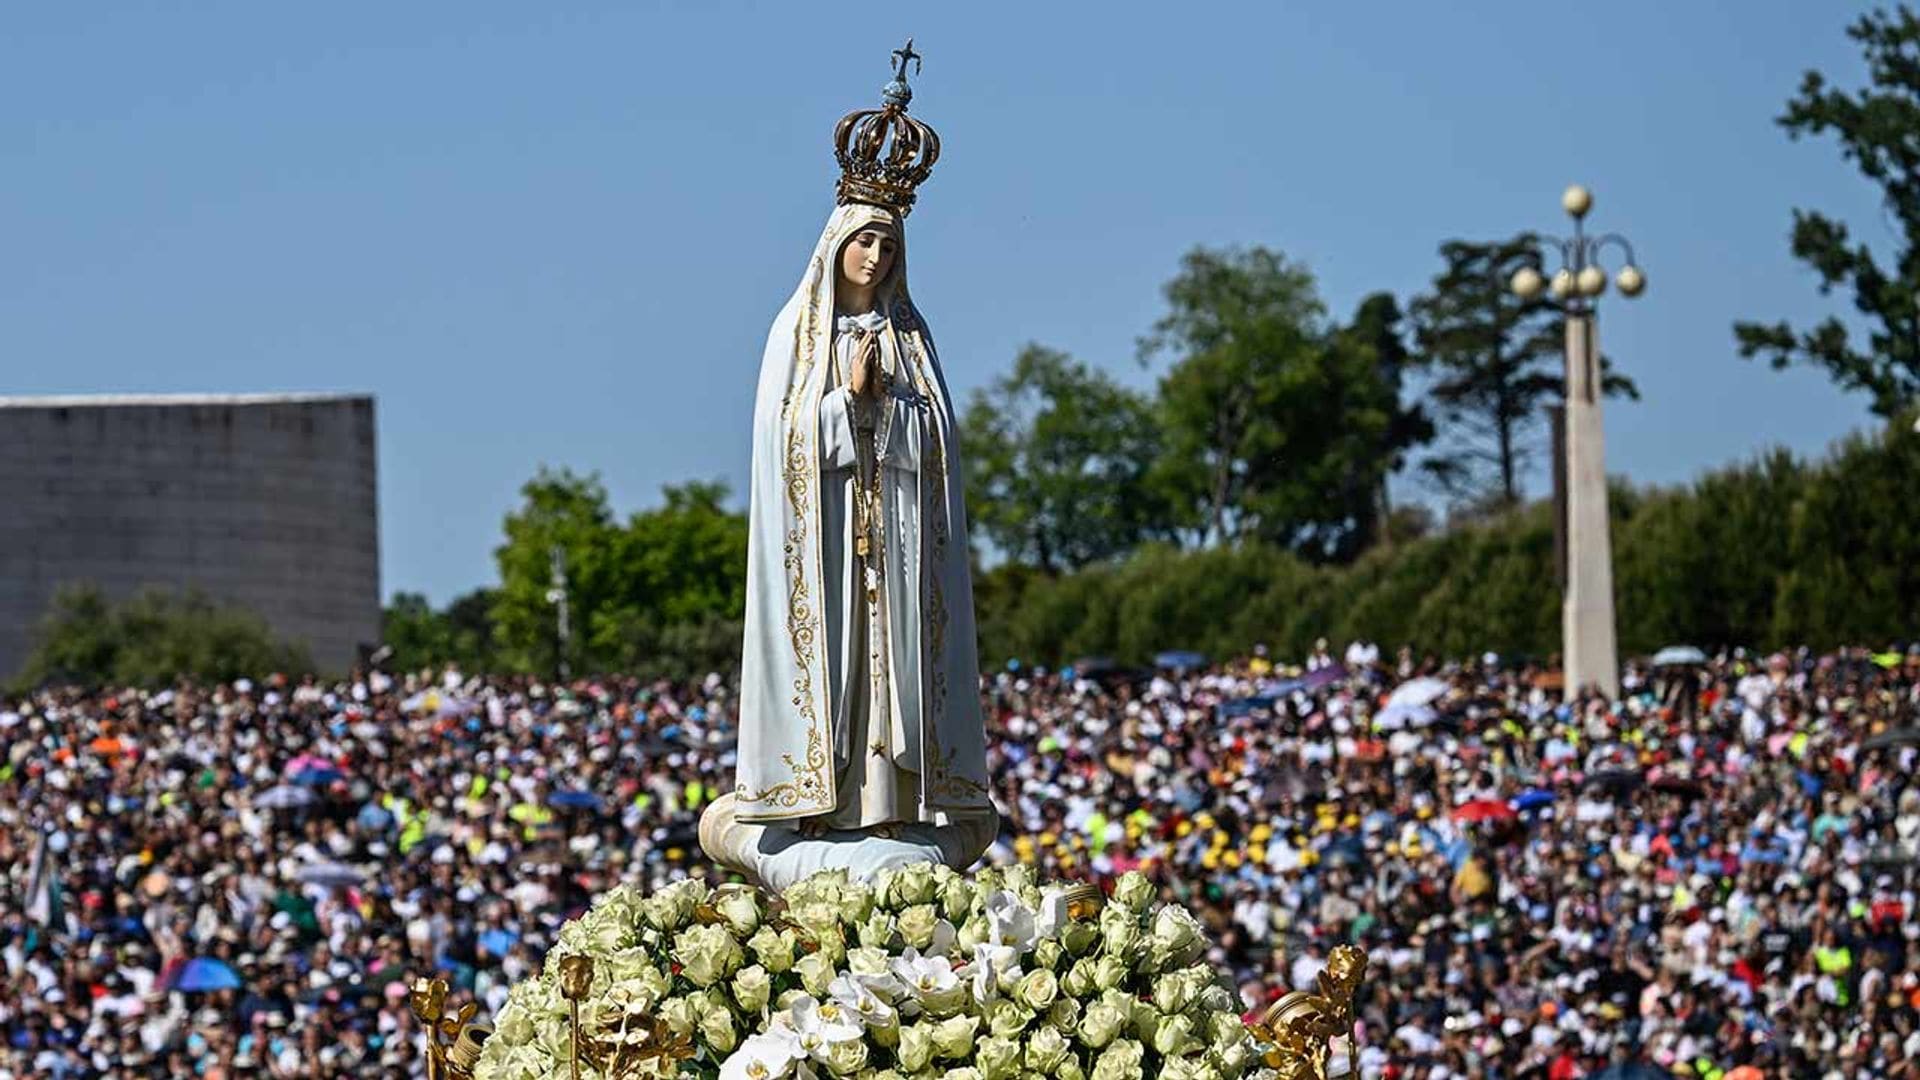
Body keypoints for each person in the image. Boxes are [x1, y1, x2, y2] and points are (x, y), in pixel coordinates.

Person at [731, 43, 992, 838]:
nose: (875, 257)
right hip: (833, 540)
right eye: (864, 241)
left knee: (894, 669)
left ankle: (894, 806)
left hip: (899, 543)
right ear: (837, 243)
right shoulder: (799, 332)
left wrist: (896, 411)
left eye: (888, 245)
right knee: (840, 666)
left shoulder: (910, 333)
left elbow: (940, 436)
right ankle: (827, 801)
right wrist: (845, 403)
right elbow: (782, 442)